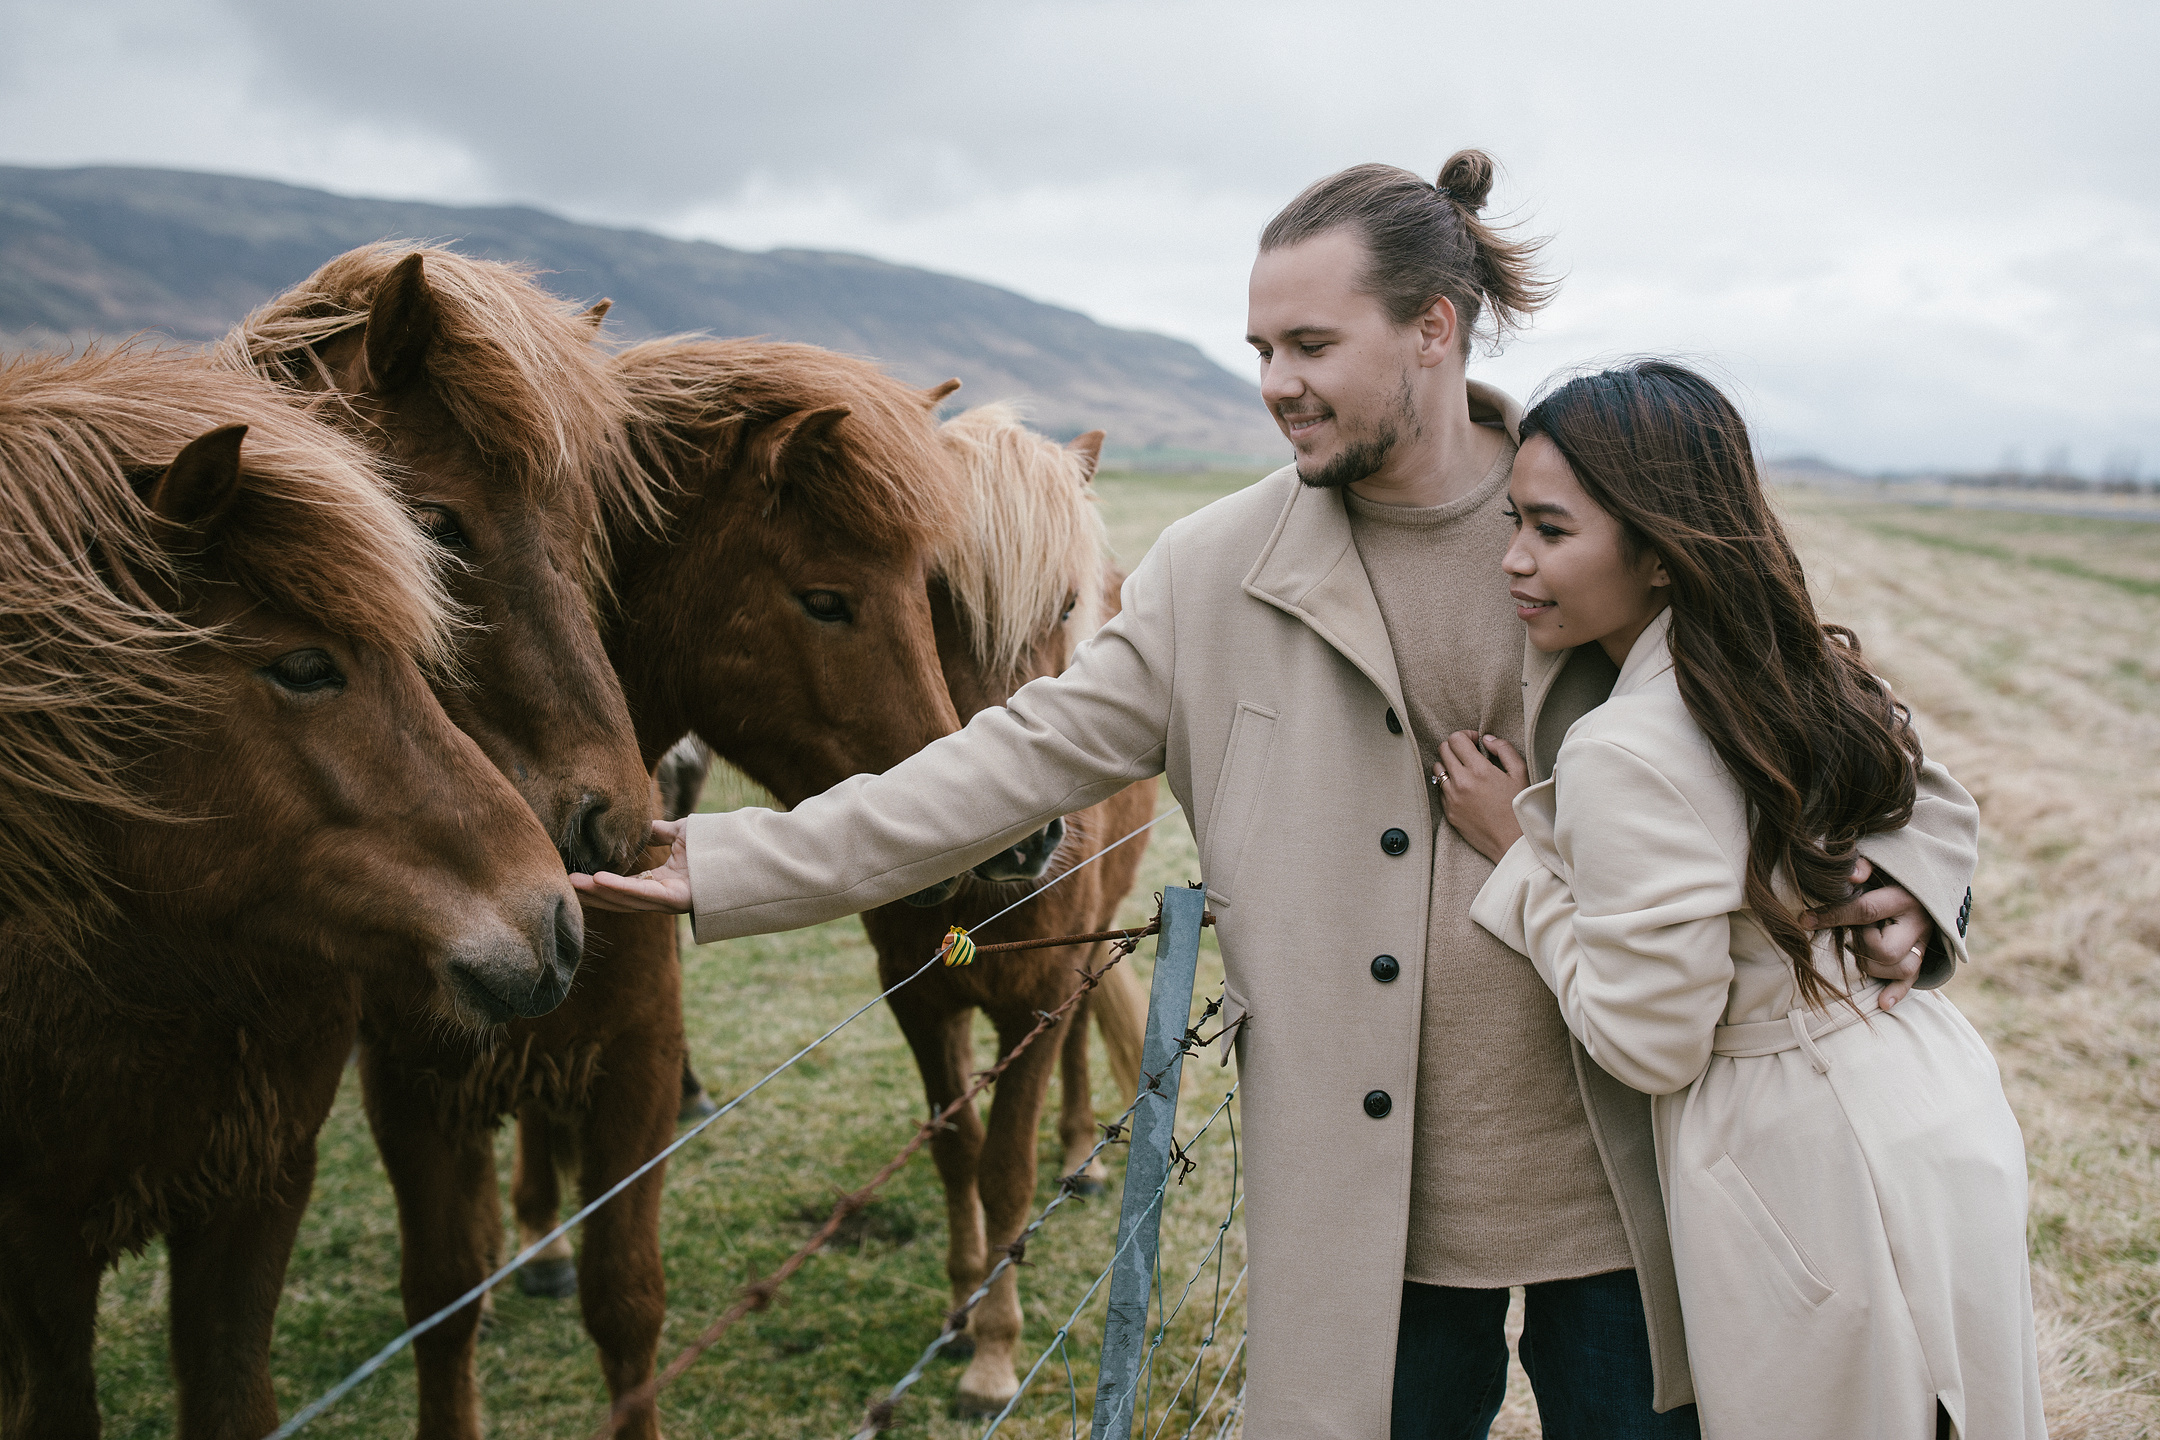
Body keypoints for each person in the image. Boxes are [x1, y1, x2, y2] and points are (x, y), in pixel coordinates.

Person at [575, 153, 1981, 1439]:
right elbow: (1006, 763)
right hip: (1370, 1221)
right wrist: (743, 860)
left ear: (1435, 327)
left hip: (1636, 1183)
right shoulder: (1211, 570)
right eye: (1261, 349)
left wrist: (1915, 871)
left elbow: (1821, 713)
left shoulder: (1591, 515)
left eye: (1313, 344)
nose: (1277, 382)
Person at [1439, 359, 2041, 1439]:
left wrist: (1517, 858)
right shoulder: (1796, 665)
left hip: (1804, 1168)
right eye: (1513, 522)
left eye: (1551, 530)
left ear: (1663, 550)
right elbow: (1915, 785)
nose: (1513, 561)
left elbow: (1651, 1041)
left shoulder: (1622, 748)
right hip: (1933, 1101)